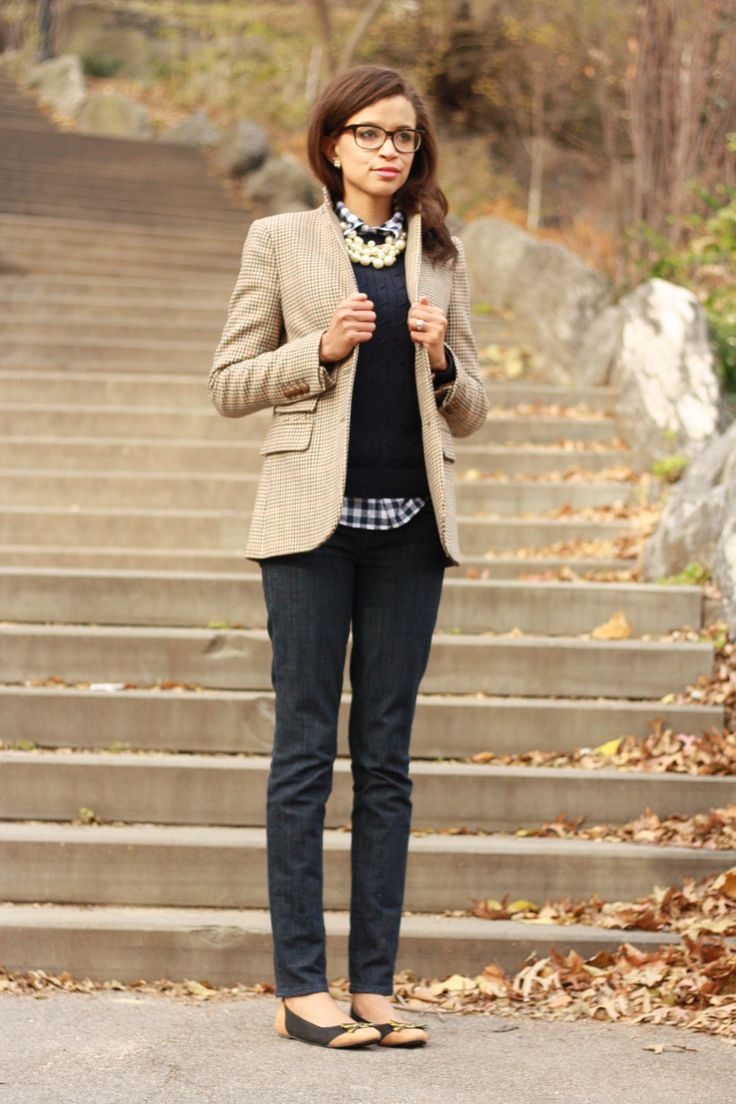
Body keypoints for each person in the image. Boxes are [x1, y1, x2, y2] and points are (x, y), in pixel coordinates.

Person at [209, 64, 488, 1050]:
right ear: (332, 144)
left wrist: (442, 360)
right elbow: (228, 381)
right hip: (309, 531)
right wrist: (319, 351)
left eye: (403, 136)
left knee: (386, 762)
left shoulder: (441, 252)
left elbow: (474, 407)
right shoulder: (280, 240)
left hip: (410, 530)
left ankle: (373, 985)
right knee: (302, 756)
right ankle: (301, 988)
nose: (388, 150)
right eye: (369, 133)